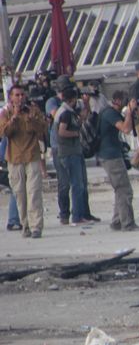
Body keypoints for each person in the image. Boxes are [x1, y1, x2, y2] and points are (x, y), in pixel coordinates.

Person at [0, 84, 49, 238]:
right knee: (19, 194)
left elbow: (42, 129)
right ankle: (25, 224)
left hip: (32, 156)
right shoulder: (6, 113)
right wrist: (14, 117)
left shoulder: (32, 110)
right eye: (17, 95)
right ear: (11, 97)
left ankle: (36, 226)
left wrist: (31, 120)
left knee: (34, 192)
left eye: (22, 95)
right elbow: (4, 133)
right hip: (14, 158)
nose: (20, 98)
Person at [97, 91, 139, 231]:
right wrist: (128, 112)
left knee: (119, 190)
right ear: (119, 101)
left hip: (111, 154)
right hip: (110, 156)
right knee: (125, 190)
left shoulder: (110, 112)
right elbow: (126, 129)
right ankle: (128, 223)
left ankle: (117, 221)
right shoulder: (109, 113)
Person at [54, 85, 93, 226]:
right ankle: (77, 216)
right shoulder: (64, 113)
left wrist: (87, 103)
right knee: (77, 185)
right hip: (69, 153)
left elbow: (82, 118)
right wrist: (77, 134)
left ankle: (80, 214)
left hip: (73, 152)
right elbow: (62, 132)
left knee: (79, 184)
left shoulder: (69, 111)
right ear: (72, 99)